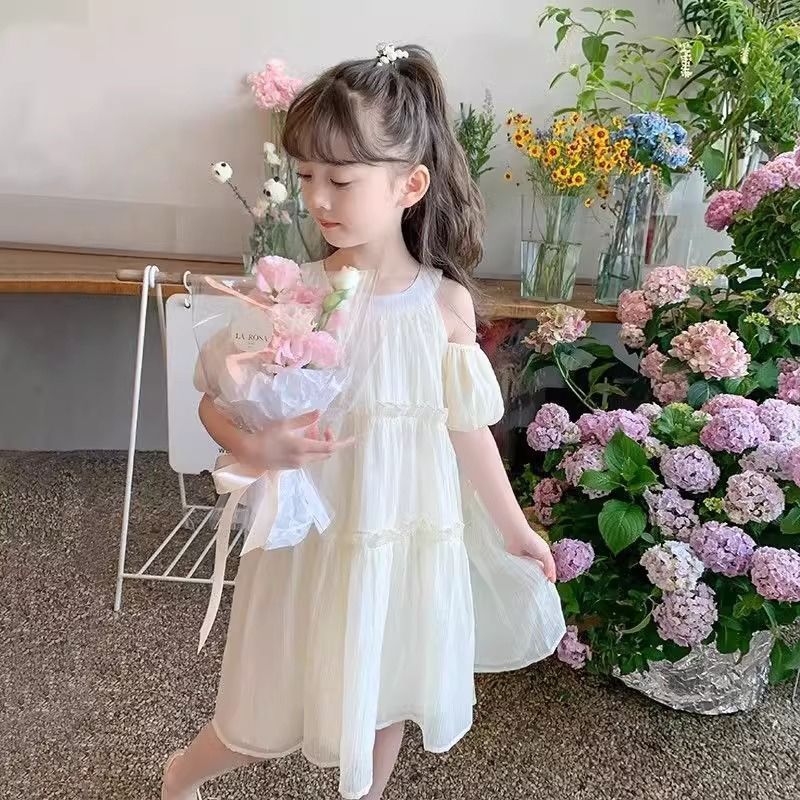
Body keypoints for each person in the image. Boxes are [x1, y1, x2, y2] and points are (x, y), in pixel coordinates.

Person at [162, 42, 565, 800]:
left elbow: (466, 431)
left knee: (388, 689)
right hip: (314, 538)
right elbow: (214, 402)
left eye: (341, 179)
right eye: (305, 176)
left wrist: (514, 529)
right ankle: (183, 774)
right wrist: (259, 443)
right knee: (269, 697)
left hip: (402, 531)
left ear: (410, 184)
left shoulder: (443, 305)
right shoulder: (292, 296)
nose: (318, 199)